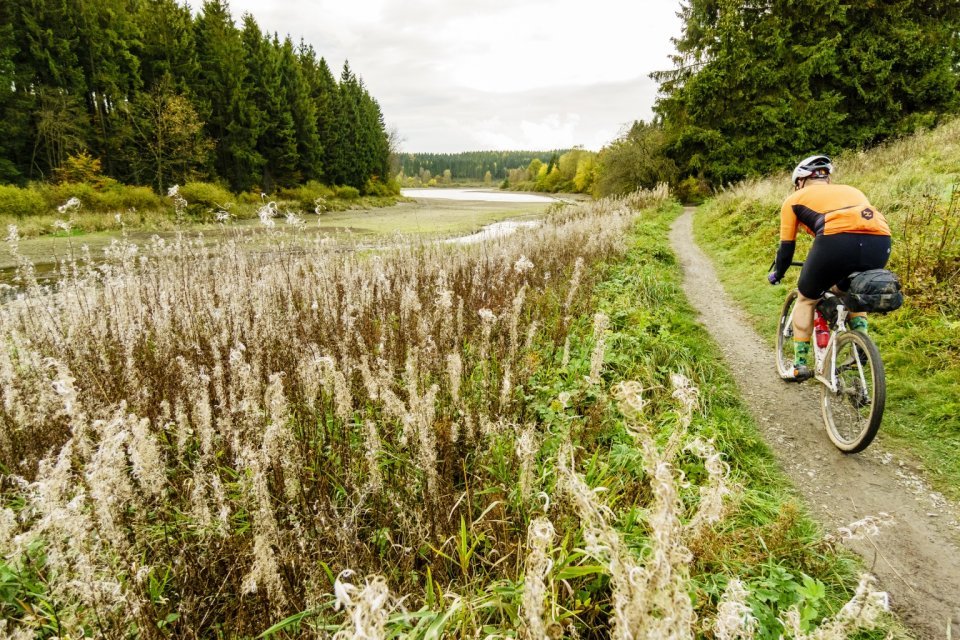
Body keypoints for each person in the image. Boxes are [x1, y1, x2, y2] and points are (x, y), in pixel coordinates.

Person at [767, 155, 892, 381]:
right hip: (881, 240)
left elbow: (786, 249)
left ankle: (799, 366)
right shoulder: (853, 191)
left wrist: (777, 273)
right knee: (852, 291)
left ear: (800, 182)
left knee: (806, 298)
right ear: (827, 178)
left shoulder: (794, 199)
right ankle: (860, 345)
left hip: (836, 241)